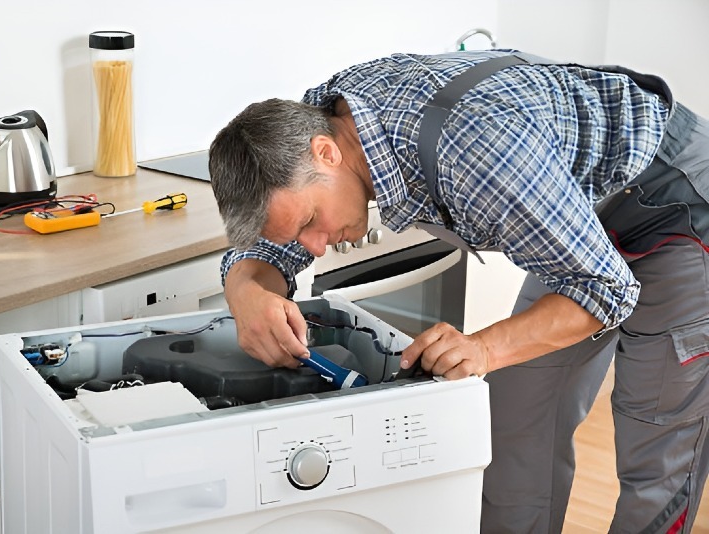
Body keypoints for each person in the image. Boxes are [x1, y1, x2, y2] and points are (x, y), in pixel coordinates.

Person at [208, 48, 709, 533]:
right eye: (299, 235)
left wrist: (484, 347)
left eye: (312, 222)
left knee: (656, 446)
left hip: (672, 203)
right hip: (567, 213)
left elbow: (603, 286)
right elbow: (270, 248)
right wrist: (246, 290)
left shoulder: (475, 153)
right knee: (515, 420)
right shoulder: (319, 124)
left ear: (326, 153)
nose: (314, 247)